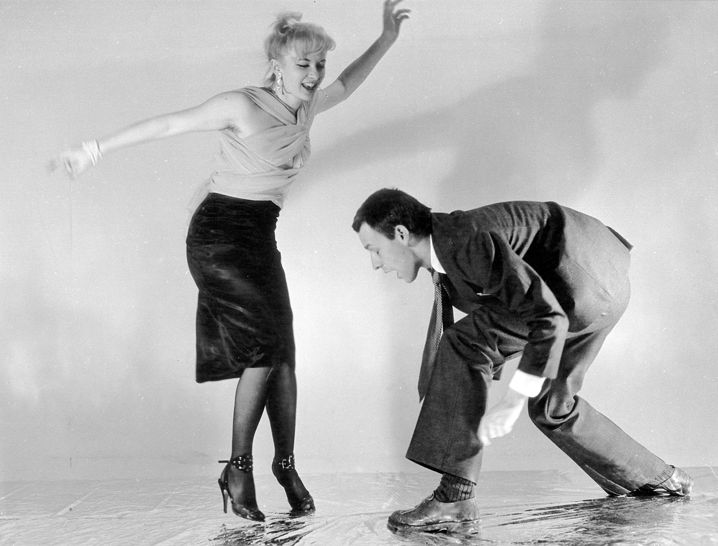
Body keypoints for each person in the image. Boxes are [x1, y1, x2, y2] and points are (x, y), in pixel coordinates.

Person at [48, 1, 410, 522]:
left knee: (283, 353)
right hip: (217, 239)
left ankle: (285, 464)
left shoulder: (306, 106)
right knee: (262, 349)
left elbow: (349, 84)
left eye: (319, 64)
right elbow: (169, 124)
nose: (313, 74)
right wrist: (92, 149)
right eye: (303, 64)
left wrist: (387, 39)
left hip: (260, 237)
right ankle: (238, 470)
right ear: (277, 65)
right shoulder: (242, 105)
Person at [352, 188, 694, 534]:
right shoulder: (449, 243)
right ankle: (660, 478)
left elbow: (547, 318)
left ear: (401, 234)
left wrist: (513, 398)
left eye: (374, 249)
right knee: (552, 406)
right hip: (604, 284)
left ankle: (454, 498)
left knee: (464, 343)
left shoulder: (464, 240)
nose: (376, 263)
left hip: (576, 289)